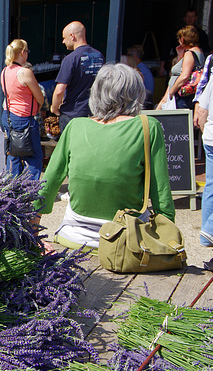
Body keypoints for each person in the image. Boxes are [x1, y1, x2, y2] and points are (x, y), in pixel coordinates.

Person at [34, 63, 174, 253]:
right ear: (136, 94)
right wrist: (167, 237)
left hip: (74, 238)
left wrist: (33, 234)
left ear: (96, 93)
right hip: (126, 241)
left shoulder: (75, 126)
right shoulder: (148, 127)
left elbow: (48, 184)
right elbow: (161, 194)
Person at [1, 39, 45, 180]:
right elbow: (39, 97)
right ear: (22, 52)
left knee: (14, 152)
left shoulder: (4, 71)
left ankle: (12, 186)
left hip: (8, 115)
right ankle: (29, 189)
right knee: (33, 155)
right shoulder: (25, 72)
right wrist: (37, 107)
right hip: (24, 118)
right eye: (27, 51)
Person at [50, 21, 105, 132]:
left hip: (73, 114)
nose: (63, 41)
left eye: (64, 38)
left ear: (72, 36)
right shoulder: (99, 56)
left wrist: (54, 108)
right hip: (94, 112)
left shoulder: (70, 59)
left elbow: (60, 90)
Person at [195, 69, 213, 248]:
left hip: (212, 136)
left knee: (212, 186)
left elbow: (201, 110)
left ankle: (207, 236)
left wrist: (207, 133)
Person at [156, 25, 204, 111]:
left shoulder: (190, 53)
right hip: (187, 96)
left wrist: (171, 92)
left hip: (181, 97)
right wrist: (180, 56)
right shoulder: (198, 52)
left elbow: (184, 76)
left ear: (182, 39)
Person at [160, 9, 211, 77]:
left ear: (196, 18)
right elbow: (166, 49)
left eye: (192, 16)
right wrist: (162, 66)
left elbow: (206, 50)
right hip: (177, 61)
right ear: (184, 18)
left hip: (194, 66)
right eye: (188, 16)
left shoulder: (201, 34)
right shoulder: (177, 33)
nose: (190, 19)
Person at [126, 45, 154, 109]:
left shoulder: (141, 69)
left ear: (134, 56)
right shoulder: (143, 67)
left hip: (142, 101)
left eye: (128, 55)